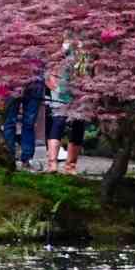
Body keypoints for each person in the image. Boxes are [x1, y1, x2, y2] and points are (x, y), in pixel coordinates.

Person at [45, 41, 84, 176]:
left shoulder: (84, 51)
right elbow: (49, 75)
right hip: (61, 93)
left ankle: (71, 165)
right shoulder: (58, 51)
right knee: (58, 123)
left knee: (79, 126)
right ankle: (52, 163)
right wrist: (56, 89)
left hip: (81, 95)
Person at [3, 63, 47, 169]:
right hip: (12, 81)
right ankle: (9, 158)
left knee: (29, 123)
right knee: (10, 122)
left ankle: (27, 159)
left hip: (35, 83)